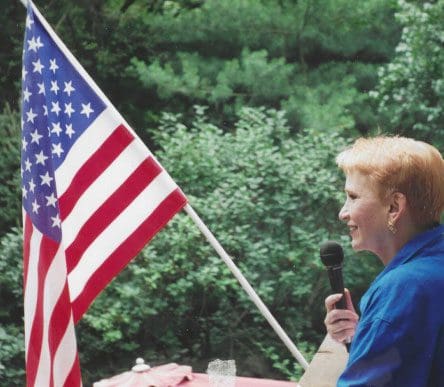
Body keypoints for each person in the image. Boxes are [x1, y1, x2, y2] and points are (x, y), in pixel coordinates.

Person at [323, 136, 444, 386]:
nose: (343, 212)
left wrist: (380, 323)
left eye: (353, 197)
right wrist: (365, 334)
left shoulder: (404, 288)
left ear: (393, 207)